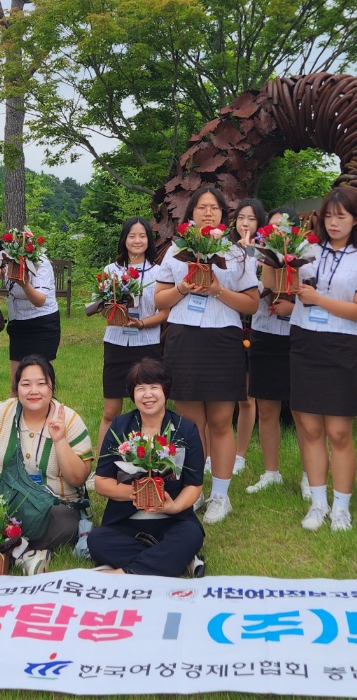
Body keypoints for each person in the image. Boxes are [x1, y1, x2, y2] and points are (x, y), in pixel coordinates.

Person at [152, 185, 260, 525]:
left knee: (219, 422)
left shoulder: (236, 255)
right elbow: (159, 301)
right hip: (184, 341)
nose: (208, 213)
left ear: (222, 216)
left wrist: (219, 290)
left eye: (214, 208)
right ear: (191, 214)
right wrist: (183, 287)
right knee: (191, 425)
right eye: (202, 208)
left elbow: (252, 304)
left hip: (222, 341)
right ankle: (194, 491)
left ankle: (221, 496)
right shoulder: (175, 252)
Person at [0, 355, 92, 575]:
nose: (33, 390)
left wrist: (60, 440)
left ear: (51, 387)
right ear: (16, 388)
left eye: (41, 383)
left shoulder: (70, 420)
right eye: (25, 384)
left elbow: (78, 478)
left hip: (50, 503)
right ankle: (28, 553)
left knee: (67, 524)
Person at [289, 187, 357, 532]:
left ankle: (342, 507)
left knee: (338, 432)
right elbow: (276, 281)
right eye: (329, 215)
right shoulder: (306, 251)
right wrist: (272, 254)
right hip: (304, 340)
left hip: (340, 344)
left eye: (342, 216)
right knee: (310, 428)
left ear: (355, 219)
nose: (334, 222)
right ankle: (318, 503)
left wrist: (318, 299)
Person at [90, 358, 205, 576]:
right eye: (140, 388)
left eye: (154, 387)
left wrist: (174, 506)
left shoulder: (186, 430)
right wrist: (136, 493)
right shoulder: (119, 427)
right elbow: (102, 483)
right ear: (132, 394)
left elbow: (194, 484)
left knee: (190, 535)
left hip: (173, 521)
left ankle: (125, 573)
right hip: (126, 522)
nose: (148, 394)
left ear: (165, 391)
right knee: (97, 541)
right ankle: (177, 559)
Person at [97, 218, 169, 452]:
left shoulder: (160, 273)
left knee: (149, 408)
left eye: (142, 236)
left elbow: (166, 312)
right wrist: (113, 312)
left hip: (146, 344)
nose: (137, 241)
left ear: (149, 240)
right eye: (132, 236)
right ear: (124, 240)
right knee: (110, 410)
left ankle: (151, 460)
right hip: (117, 343)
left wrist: (143, 323)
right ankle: (103, 464)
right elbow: (103, 308)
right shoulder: (110, 271)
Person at [244, 205, 297, 495]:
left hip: (296, 337)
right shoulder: (255, 257)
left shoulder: (305, 259)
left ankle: (308, 476)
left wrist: (294, 306)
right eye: (274, 226)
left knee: (302, 410)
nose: (279, 232)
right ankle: (271, 472)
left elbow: (315, 295)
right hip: (264, 334)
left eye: (285, 227)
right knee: (266, 409)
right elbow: (252, 290)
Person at [230, 198, 268, 477]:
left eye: (251, 219)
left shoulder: (268, 252)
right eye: (241, 217)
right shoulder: (226, 251)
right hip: (229, 327)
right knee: (220, 395)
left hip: (257, 327)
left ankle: (240, 454)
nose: (245, 223)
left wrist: (252, 255)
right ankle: (208, 454)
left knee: (246, 397)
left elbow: (263, 287)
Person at [3, 238, 61, 382]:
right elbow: (0, 272)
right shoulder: (10, 262)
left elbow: (40, 300)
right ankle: (16, 405)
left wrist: (25, 285)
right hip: (18, 322)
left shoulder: (41, 262)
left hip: (42, 323)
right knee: (16, 385)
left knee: (41, 382)